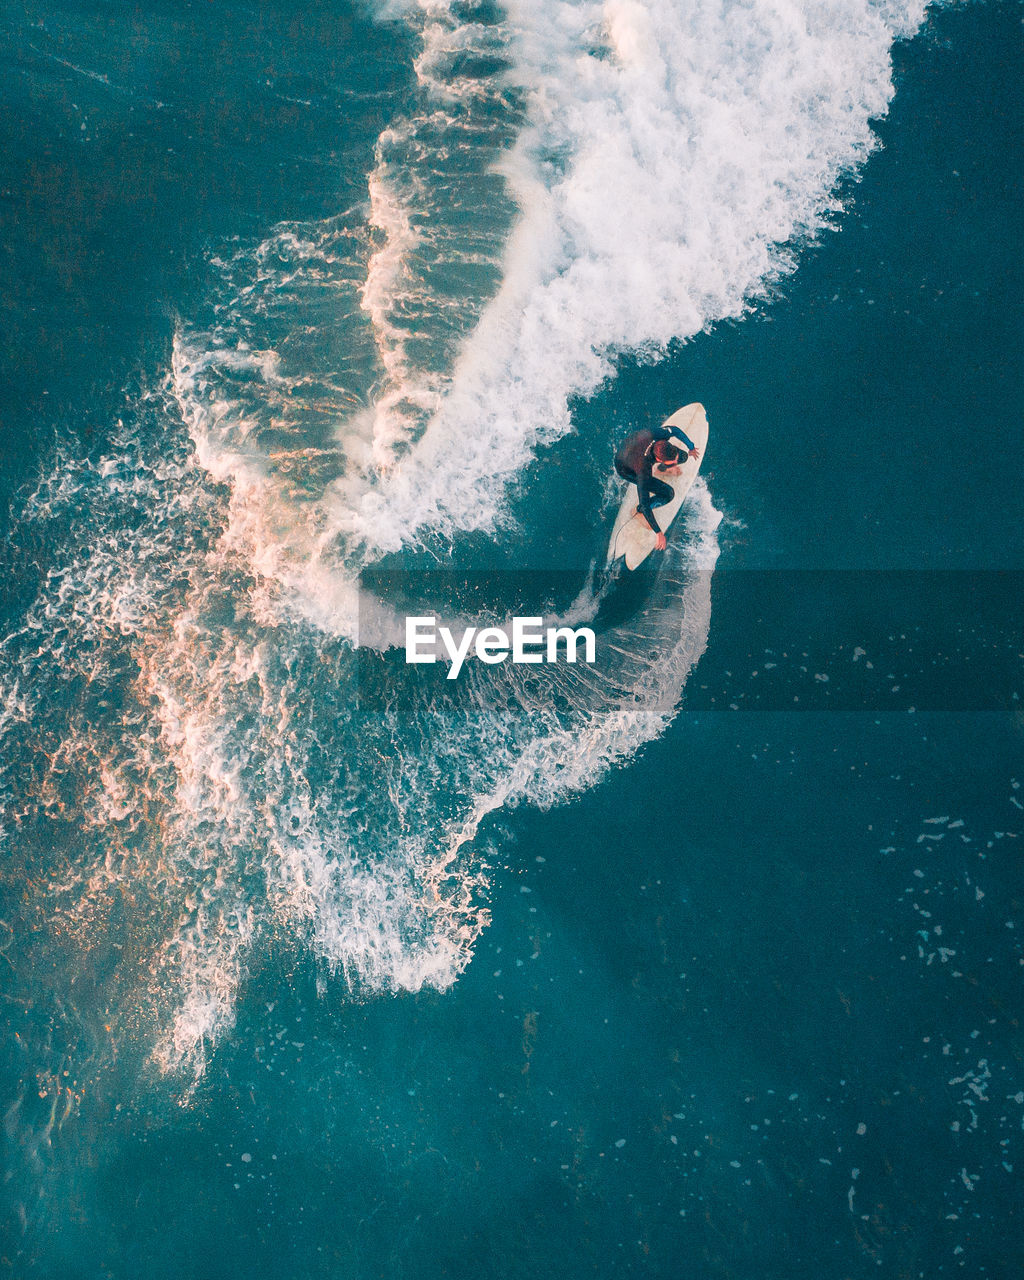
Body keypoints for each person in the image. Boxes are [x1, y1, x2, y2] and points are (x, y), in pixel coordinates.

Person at [614, 420, 701, 551]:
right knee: (668, 494)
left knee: (683, 456)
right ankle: (640, 512)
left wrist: (691, 447)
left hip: (635, 445)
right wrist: (659, 533)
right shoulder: (643, 472)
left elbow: (675, 430)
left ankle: (663, 469)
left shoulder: (656, 434)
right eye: (671, 462)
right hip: (625, 467)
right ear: (659, 460)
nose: (676, 461)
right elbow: (644, 502)